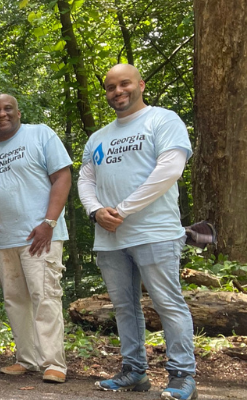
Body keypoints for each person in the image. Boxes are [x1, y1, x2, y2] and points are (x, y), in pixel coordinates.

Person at [79, 64, 196, 400]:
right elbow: (86, 179)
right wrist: (95, 210)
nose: (117, 91)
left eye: (124, 84)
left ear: (140, 84)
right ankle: (134, 372)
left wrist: (123, 209)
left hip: (155, 232)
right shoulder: (97, 137)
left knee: (167, 303)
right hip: (110, 237)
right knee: (124, 307)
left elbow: (171, 167)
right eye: (111, 87)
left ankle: (182, 376)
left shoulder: (163, 119)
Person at [0, 94, 72, 383]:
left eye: (7, 109)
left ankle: (53, 363)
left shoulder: (40, 134)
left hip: (39, 235)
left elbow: (63, 177)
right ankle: (27, 358)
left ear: (18, 112)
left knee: (44, 297)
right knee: (15, 300)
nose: (2, 114)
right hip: (4, 239)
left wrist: (49, 222)